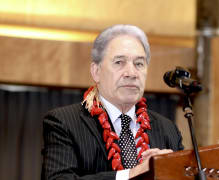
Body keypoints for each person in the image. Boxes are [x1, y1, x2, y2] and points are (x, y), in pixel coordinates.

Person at [41, 24, 184, 180]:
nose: (131, 73)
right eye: (119, 62)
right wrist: (132, 174)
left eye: (139, 64)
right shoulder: (64, 122)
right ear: (96, 72)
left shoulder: (168, 130)